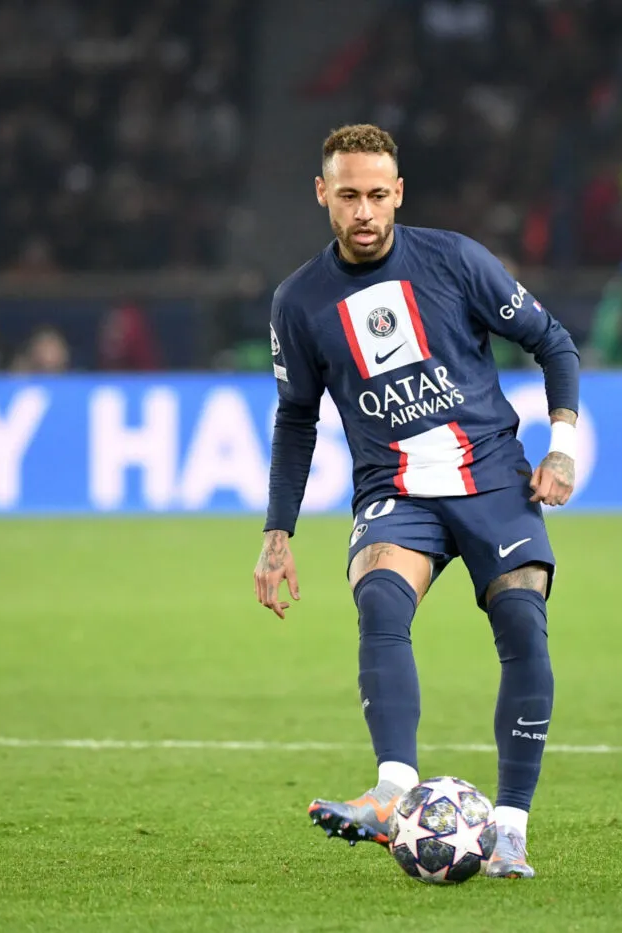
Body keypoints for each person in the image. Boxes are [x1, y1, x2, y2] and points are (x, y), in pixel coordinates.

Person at [253, 124, 581, 878]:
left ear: (398, 192)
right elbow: (296, 417)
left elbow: (553, 342)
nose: (363, 211)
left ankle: (510, 831)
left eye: (376, 195)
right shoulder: (299, 302)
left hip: (493, 475)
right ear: (321, 195)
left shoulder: (455, 260)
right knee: (380, 600)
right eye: (347, 196)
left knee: (523, 625)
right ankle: (392, 790)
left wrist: (562, 447)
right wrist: (279, 532)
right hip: (395, 487)